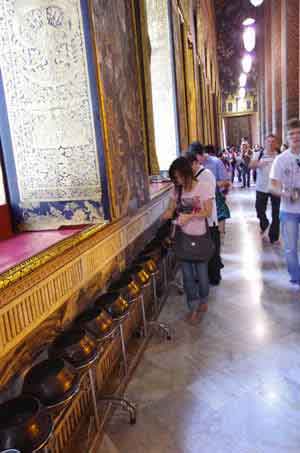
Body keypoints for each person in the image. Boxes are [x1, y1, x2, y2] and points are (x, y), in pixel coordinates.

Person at [162, 157, 213, 323]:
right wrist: (168, 214)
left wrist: (189, 217)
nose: (177, 181)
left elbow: (207, 212)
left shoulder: (203, 187)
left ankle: (203, 299)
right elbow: (170, 208)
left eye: (178, 177)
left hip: (200, 237)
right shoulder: (177, 190)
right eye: (174, 178)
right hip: (183, 238)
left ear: (187, 173)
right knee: (188, 277)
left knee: (202, 276)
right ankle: (192, 308)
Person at [270, 118, 300, 284]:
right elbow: (272, 186)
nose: (295, 137)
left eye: (298, 133)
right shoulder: (281, 159)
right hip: (289, 210)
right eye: (292, 134)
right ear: (287, 138)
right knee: (290, 247)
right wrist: (284, 194)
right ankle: (296, 277)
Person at [185, 151, 222, 285]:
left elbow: (207, 199)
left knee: (211, 249)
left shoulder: (205, 175)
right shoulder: (194, 175)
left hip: (208, 220)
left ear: (195, 163)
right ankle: (204, 275)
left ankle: (214, 277)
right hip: (199, 220)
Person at [189, 142, 231, 235]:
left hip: (216, 199)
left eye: (196, 158)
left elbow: (226, 181)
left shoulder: (216, 162)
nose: (195, 162)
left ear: (202, 153)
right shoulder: (192, 165)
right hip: (199, 201)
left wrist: (209, 184)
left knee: (217, 231)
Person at [250, 134, 280, 243]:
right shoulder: (259, 154)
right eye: (269, 141)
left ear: (276, 143)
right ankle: (265, 224)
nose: (271, 143)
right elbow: (251, 165)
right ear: (265, 142)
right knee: (259, 209)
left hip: (276, 188)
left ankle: (274, 236)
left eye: (273, 141)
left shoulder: (279, 155)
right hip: (261, 187)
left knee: (276, 213)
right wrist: (258, 163)